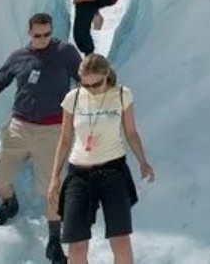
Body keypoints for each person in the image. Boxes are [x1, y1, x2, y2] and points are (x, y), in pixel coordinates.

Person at [0, 13, 81, 263]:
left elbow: (84, 79)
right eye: (37, 35)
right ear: (29, 33)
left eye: (47, 34)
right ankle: (10, 203)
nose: (42, 39)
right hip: (18, 127)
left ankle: (54, 240)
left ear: (52, 31)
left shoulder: (65, 52)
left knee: (52, 189)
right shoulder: (19, 57)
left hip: (52, 130)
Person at [47, 54, 154, 264]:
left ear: (107, 74)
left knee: (121, 241)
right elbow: (65, 138)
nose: (92, 88)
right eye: (85, 85)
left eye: (96, 83)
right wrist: (54, 177)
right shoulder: (73, 98)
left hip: (113, 172)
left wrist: (143, 161)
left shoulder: (123, 95)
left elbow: (131, 132)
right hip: (79, 174)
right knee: (76, 247)